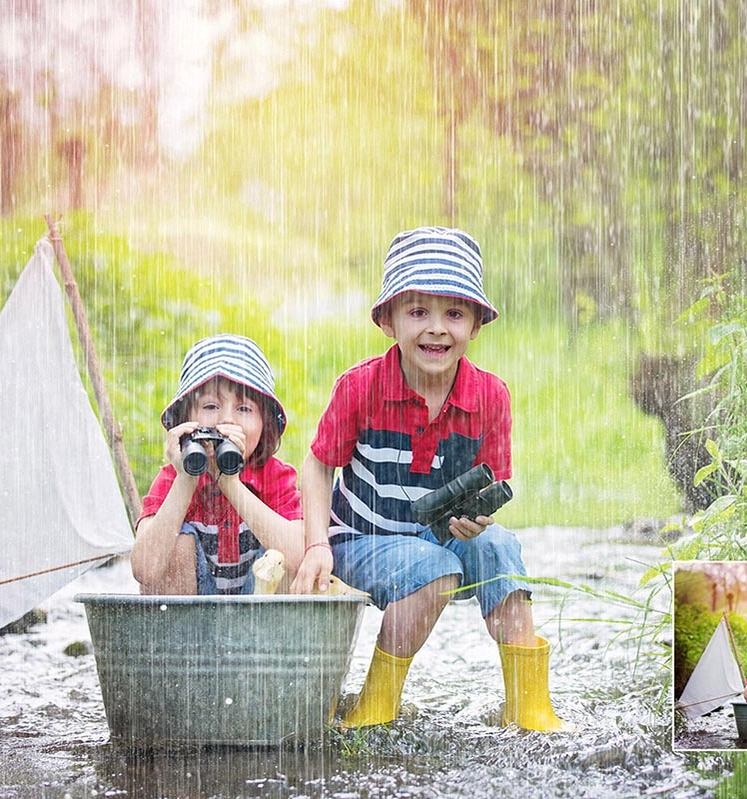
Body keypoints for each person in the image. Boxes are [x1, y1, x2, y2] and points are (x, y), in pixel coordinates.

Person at [293, 226, 565, 732]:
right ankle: (378, 702)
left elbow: (491, 490)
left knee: (500, 548)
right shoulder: (360, 388)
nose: (436, 329)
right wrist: (316, 544)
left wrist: (476, 521)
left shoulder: (490, 398)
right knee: (436, 565)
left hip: (436, 533)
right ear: (389, 321)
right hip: (361, 538)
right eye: (418, 311)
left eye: (454, 314)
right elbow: (317, 463)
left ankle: (528, 704)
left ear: (476, 325)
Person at [131, 334, 304, 595]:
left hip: (260, 618)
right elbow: (146, 570)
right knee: (175, 545)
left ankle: (263, 634)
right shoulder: (172, 479)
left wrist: (230, 482)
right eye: (210, 406)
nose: (225, 420)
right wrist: (185, 480)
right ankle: (181, 634)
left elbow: (298, 558)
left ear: (264, 425)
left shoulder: (276, 477)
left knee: (282, 558)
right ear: (186, 419)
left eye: (243, 409)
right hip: (192, 620)